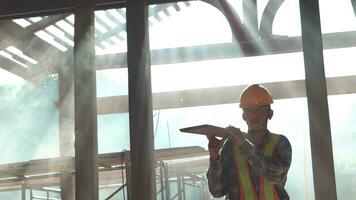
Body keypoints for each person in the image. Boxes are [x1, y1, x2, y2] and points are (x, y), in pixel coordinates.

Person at [206, 84, 292, 200]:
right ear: (243, 116)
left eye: (260, 110)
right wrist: (215, 157)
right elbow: (217, 191)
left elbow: (276, 175)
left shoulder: (280, 142)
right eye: (249, 110)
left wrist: (243, 143)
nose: (254, 114)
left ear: (270, 114)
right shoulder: (231, 146)